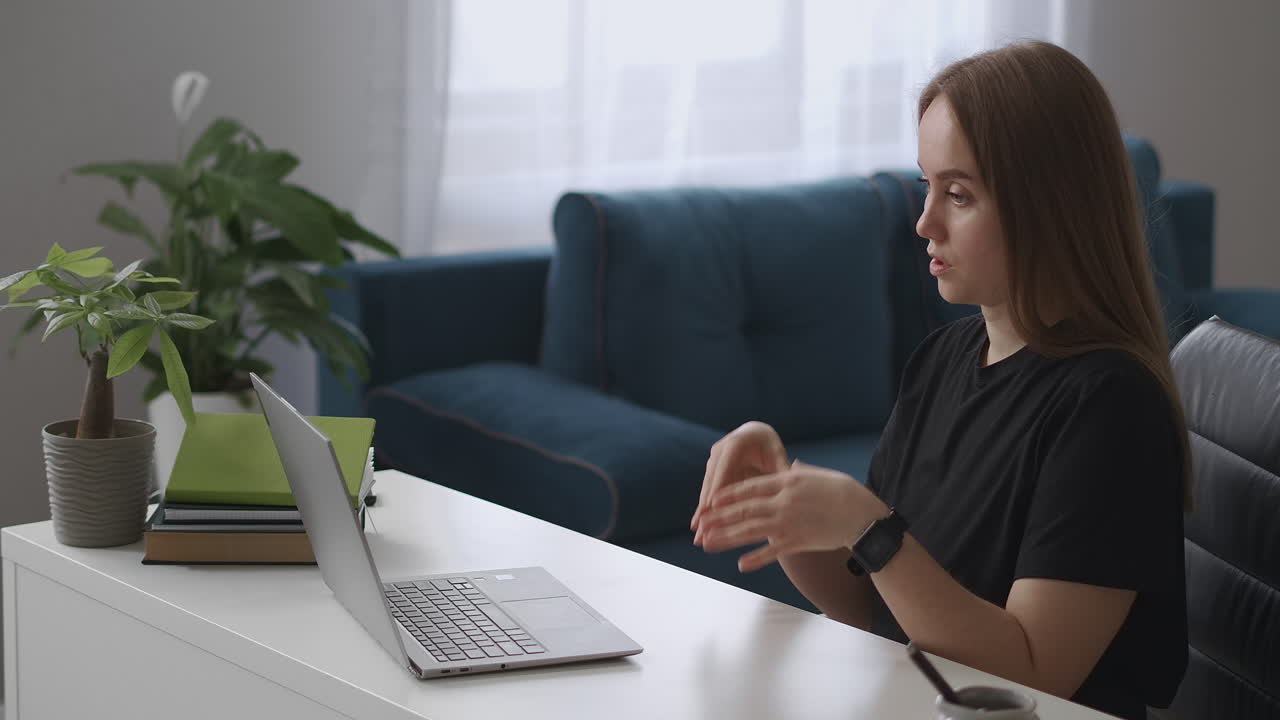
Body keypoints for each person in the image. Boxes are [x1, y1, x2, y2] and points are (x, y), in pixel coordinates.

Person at [689, 41, 1189, 720]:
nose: (924, 222)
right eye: (927, 186)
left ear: (1051, 207)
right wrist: (785, 502)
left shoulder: (1110, 407)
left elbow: (1035, 674)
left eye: (958, 194)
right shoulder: (944, 359)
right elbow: (871, 607)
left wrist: (868, 527)